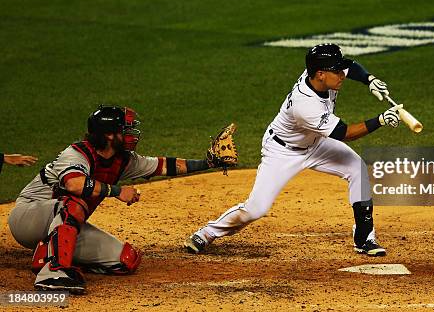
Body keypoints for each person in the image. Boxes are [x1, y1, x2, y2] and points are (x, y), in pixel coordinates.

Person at [184, 43, 402, 257]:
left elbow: (350, 66)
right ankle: (206, 233)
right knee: (256, 209)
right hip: (282, 151)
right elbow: (345, 133)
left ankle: (364, 238)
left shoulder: (321, 74)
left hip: (315, 143)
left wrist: (369, 79)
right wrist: (380, 120)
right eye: (336, 71)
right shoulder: (305, 104)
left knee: (357, 169)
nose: (342, 75)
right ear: (320, 74)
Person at [8, 105, 234, 294]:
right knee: (76, 201)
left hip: (61, 224)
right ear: (108, 135)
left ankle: (47, 253)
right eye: (124, 130)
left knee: (126, 260)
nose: (131, 134)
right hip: (29, 217)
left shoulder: (123, 160)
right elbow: (74, 184)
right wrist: (117, 192)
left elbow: (164, 165)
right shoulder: (76, 154)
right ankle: (52, 274)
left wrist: (209, 163)